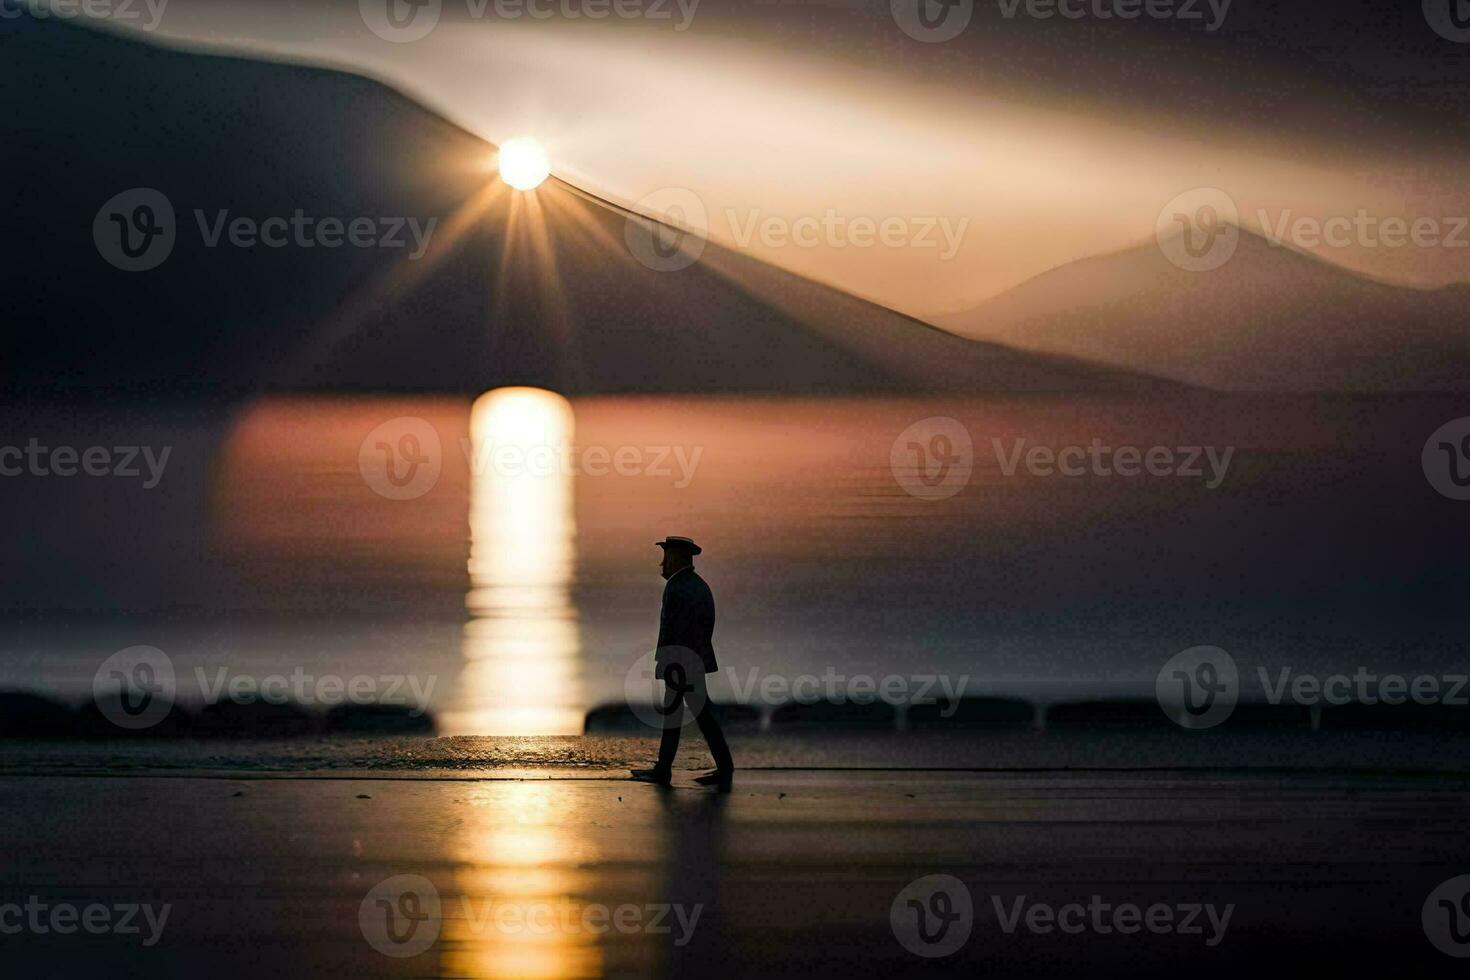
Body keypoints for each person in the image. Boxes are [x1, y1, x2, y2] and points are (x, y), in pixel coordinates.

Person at [630, 536, 735, 787]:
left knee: (679, 715)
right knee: (695, 714)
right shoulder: (697, 585)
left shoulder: (677, 587)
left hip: (681, 663)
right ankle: (722, 767)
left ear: (676, 559)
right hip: (692, 661)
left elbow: (671, 631)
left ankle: (665, 770)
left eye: (665, 558)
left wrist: (667, 664)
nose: (661, 564)